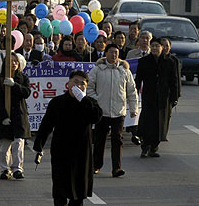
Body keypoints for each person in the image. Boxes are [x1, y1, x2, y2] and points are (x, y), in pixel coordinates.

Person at [33, 70, 102, 206]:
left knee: (79, 189)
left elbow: (96, 117)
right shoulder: (57, 102)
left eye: (82, 83)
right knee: (60, 186)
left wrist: (83, 99)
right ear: (68, 83)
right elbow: (46, 125)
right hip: (61, 150)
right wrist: (38, 146)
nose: (78, 85)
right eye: (75, 82)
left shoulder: (90, 102)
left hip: (82, 151)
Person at [87, 44, 138, 177]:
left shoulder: (124, 71)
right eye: (111, 52)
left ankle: (117, 168)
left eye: (116, 53)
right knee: (100, 140)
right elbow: (89, 87)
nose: (114, 55)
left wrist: (133, 109)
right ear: (106, 53)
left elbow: (132, 91)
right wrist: (97, 99)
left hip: (118, 111)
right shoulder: (97, 70)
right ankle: (96, 165)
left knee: (117, 139)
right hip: (101, 111)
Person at [135, 38, 178, 158]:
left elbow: (174, 81)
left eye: (157, 46)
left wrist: (174, 97)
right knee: (147, 122)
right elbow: (138, 79)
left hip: (163, 98)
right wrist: (135, 93)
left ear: (162, 48)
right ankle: (145, 146)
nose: (154, 48)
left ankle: (154, 147)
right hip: (148, 96)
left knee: (159, 123)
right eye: (152, 46)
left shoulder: (169, 62)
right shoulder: (144, 61)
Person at [0, 52, 31, 180]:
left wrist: (14, 85)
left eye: (16, 61)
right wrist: (3, 117)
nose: (13, 63)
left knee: (18, 144)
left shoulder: (23, 78)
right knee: (4, 146)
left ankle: (17, 168)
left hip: (19, 115)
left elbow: (26, 92)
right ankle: (5, 169)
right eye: (11, 61)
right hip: (6, 116)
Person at [160, 37, 181, 141]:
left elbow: (176, 79)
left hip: (169, 92)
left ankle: (163, 135)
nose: (165, 48)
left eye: (167, 46)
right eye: (163, 45)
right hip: (157, 92)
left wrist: (177, 94)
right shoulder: (156, 59)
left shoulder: (174, 60)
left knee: (167, 115)